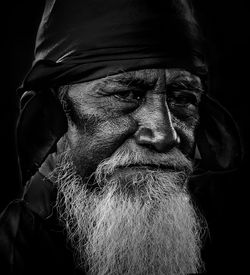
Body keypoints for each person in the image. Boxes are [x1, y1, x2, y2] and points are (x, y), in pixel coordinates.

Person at [0, 0, 242, 274]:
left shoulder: (228, 224)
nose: (164, 135)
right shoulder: (19, 249)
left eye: (182, 98)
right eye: (126, 95)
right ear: (53, 115)